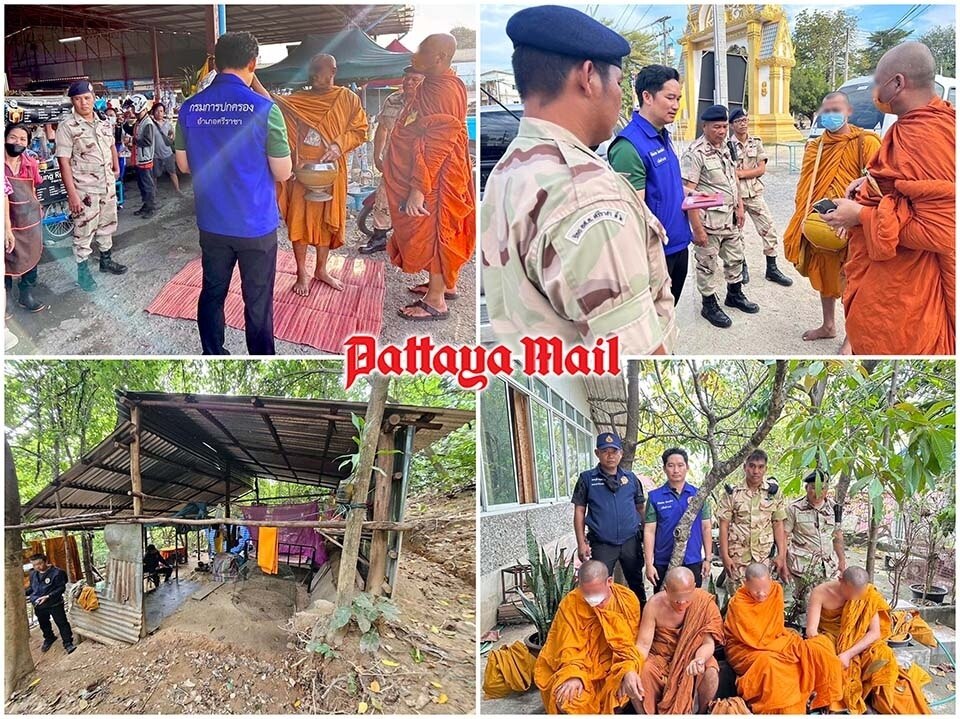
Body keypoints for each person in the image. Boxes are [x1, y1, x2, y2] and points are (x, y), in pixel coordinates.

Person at [482, 7, 675, 351]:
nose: (620, 96)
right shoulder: (586, 194)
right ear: (588, 77)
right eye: (618, 83)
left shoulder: (511, 167)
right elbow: (633, 351)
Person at [823, 41, 955, 355]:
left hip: (907, 293)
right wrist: (869, 184)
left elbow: (943, 231)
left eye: (877, 83)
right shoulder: (918, 124)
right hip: (886, 280)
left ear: (897, 83)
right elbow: (907, 188)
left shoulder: (927, 134)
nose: (874, 92)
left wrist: (860, 215)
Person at [176, 31, 292, 355]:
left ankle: (213, 352)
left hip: (212, 223)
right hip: (256, 226)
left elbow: (183, 165)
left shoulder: (189, 109)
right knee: (257, 300)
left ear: (215, 63)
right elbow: (283, 172)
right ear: (253, 63)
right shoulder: (266, 110)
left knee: (212, 292)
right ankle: (260, 357)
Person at [253, 53, 368, 296]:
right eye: (312, 70)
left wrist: (338, 145)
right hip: (302, 170)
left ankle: (321, 269)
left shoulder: (347, 99)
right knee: (299, 221)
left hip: (332, 170)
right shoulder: (299, 99)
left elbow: (360, 130)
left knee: (327, 222)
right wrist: (250, 74)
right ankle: (301, 272)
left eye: (320, 70)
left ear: (333, 71)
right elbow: (270, 103)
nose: (315, 75)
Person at [383, 34, 474, 321]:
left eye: (421, 51)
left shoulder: (442, 89)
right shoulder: (443, 83)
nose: (413, 56)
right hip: (442, 170)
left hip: (437, 176)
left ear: (439, 57)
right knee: (441, 229)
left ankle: (435, 301)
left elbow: (437, 142)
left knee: (436, 230)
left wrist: (419, 189)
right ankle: (445, 285)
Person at [782, 91, 880, 346]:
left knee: (853, 280)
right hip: (822, 223)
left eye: (836, 110)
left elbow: (878, 188)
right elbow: (805, 189)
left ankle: (851, 338)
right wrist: (804, 220)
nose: (830, 115)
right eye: (825, 111)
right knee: (825, 275)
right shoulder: (815, 147)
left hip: (853, 227)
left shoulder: (866, 142)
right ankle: (828, 325)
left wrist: (853, 219)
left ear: (848, 112)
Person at [608, 65, 693, 305]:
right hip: (655, 255)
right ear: (647, 96)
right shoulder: (629, 146)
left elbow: (666, 188)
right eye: (670, 98)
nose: (676, 105)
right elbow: (633, 213)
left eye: (678, 98)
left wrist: (690, 194)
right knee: (654, 322)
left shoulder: (662, 136)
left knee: (668, 315)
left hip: (678, 245)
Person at [807, 567, 932, 713]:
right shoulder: (820, 592)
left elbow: (874, 633)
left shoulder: (868, 595)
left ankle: (881, 701)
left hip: (860, 641)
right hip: (830, 638)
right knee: (823, 654)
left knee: (883, 655)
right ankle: (837, 700)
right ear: (841, 580)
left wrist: (848, 654)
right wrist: (829, 651)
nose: (854, 599)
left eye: (858, 594)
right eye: (851, 593)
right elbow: (811, 631)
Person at [723, 563, 841, 713]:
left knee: (820, 646)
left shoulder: (776, 590)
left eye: (765, 588)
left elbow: (775, 628)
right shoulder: (739, 603)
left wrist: (785, 645)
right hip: (746, 649)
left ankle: (825, 701)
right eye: (755, 590)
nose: (761, 594)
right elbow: (754, 638)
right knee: (770, 666)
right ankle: (784, 709)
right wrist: (784, 648)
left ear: (771, 580)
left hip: (777, 639)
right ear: (745, 584)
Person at [681, 105, 757, 329]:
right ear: (704, 126)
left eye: (724, 126)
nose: (722, 131)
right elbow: (688, 194)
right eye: (717, 127)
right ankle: (708, 304)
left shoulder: (726, 146)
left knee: (735, 258)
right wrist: (698, 230)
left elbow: (733, 178)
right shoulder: (694, 154)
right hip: (709, 223)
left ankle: (734, 294)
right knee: (707, 265)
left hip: (731, 219)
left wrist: (740, 207)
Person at [533, 560, 643, 714]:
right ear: (579, 585)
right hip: (579, 668)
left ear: (609, 582)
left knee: (624, 688)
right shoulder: (571, 603)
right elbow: (566, 646)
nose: (592, 599)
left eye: (596, 593)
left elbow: (630, 645)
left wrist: (628, 670)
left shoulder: (627, 600)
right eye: (587, 593)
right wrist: (573, 675)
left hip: (614, 667)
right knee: (568, 698)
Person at [55, 79, 128, 291]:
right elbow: (63, 161)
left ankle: (106, 261)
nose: (83, 103)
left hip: (106, 186)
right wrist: (72, 195)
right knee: (83, 231)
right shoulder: (67, 126)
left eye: (87, 98)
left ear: (94, 99)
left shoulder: (104, 122)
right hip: (85, 190)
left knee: (107, 225)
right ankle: (83, 273)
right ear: (72, 101)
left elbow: (112, 146)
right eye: (78, 99)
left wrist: (115, 169)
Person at [623, 567, 723, 713]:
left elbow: (708, 643)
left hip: (693, 656)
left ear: (694, 588)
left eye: (686, 599)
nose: (682, 604)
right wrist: (631, 668)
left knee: (711, 670)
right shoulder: (654, 605)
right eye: (676, 600)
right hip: (661, 657)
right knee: (642, 671)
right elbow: (643, 645)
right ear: (666, 589)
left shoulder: (704, 604)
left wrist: (700, 659)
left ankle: (702, 712)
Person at [572, 432, 646, 605]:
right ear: (597, 453)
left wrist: (646, 537)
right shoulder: (587, 479)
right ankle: (601, 624)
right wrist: (581, 543)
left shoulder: (631, 479)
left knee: (636, 583)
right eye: (605, 451)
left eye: (614, 451)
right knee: (599, 585)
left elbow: (640, 508)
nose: (610, 455)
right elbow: (579, 511)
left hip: (630, 542)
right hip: (602, 544)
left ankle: (641, 619)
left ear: (621, 453)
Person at [360, 66, 425, 255]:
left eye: (415, 79)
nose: (409, 82)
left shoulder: (428, 104)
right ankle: (379, 237)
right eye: (407, 78)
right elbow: (382, 128)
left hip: (417, 164)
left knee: (416, 202)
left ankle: (411, 243)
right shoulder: (392, 100)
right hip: (392, 161)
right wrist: (376, 155)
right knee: (383, 198)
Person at [728, 108, 792, 287]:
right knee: (736, 234)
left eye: (745, 119)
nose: (743, 123)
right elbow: (729, 174)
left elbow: (761, 170)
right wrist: (742, 174)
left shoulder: (756, 143)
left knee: (768, 229)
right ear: (732, 125)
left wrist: (740, 173)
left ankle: (772, 268)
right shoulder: (727, 146)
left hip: (754, 193)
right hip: (736, 196)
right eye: (739, 120)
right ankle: (742, 266)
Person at [716, 449, 788, 596]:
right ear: (745, 467)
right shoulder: (733, 493)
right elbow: (724, 526)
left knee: (762, 597)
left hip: (764, 557)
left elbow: (778, 524)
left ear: (766, 469)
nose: (756, 471)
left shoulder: (773, 493)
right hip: (738, 557)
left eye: (760, 467)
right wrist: (724, 556)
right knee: (739, 598)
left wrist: (781, 555)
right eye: (752, 466)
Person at [643, 447, 712, 592]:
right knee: (664, 602)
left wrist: (707, 559)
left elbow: (706, 528)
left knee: (692, 604)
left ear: (687, 467)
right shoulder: (655, 497)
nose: (676, 470)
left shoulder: (699, 495)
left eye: (680, 465)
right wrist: (649, 564)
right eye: (671, 465)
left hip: (692, 560)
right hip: (664, 562)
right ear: (664, 468)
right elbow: (649, 531)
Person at [784, 469, 846, 600]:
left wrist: (842, 560)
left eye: (822, 488)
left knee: (829, 606)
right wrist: (783, 564)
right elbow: (784, 537)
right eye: (813, 488)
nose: (818, 492)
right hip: (803, 569)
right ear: (806, 488)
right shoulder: (794, 509)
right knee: (804, 608)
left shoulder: (834, 509)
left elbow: (837, 536)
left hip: (828, 569)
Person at [4, 123, 46, 312]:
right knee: (4, 258)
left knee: (31, 253)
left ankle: (26, 294)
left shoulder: (30, 163)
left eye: (22, 139)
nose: (17, 142)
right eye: (13, 137)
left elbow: (34, 188)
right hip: (5, 218)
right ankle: (4, 299)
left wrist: (38, 207)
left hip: (28, 219)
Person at [25, 553, 76, 654]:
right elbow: (32, 588)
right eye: (34, 565)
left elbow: (61, 588)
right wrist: (23, 592)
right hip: (38, 603)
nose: (37, 567)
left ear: (46, 561)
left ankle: (68, 643)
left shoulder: (57, 573)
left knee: (61, 623)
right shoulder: (33, 574)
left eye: (39, 564)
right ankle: (49, 638)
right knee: (43, 623)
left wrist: (48, 596)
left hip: (54, 603)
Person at [124, 94, 158, 218]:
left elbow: (147, 141)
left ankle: (151, 208)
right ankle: (146, 205)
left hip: (145, 159)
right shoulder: (140, 121)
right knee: (142, 185)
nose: (132, 110)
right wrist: (124, 122)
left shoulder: (147, 123)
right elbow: (131, 130)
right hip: (140, 159)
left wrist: (133, 141)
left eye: (133, 107)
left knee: (147, 185)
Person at [150, 102, 180, 194]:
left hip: (168, 153)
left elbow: (172, 135)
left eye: (161, 111)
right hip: (155, 155)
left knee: (172, 172)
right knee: (155, 175)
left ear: (164, 112)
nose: (159, 113)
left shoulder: (168, 124)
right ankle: (154, 191)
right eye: (157, 111)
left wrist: (172, 137)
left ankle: (177, 190)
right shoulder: (150, 124)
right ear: (153, 112)